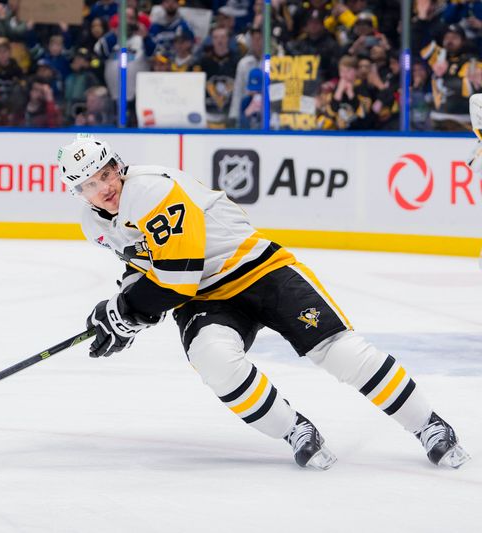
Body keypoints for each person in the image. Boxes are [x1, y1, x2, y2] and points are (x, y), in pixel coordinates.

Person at [55, 133, 470, 470]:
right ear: (78, 192)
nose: (103, 188)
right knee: (214, 360)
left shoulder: (150, 188)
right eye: (89, 184)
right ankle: (295, 431)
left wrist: (125, 310)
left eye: (106, 174)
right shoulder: (94, 224)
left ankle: (428, 425)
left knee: (338, 352)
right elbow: (143, 268)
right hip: (207, 297)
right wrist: (124, 312)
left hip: (257, 270)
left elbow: (178, 272)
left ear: (119, 166)